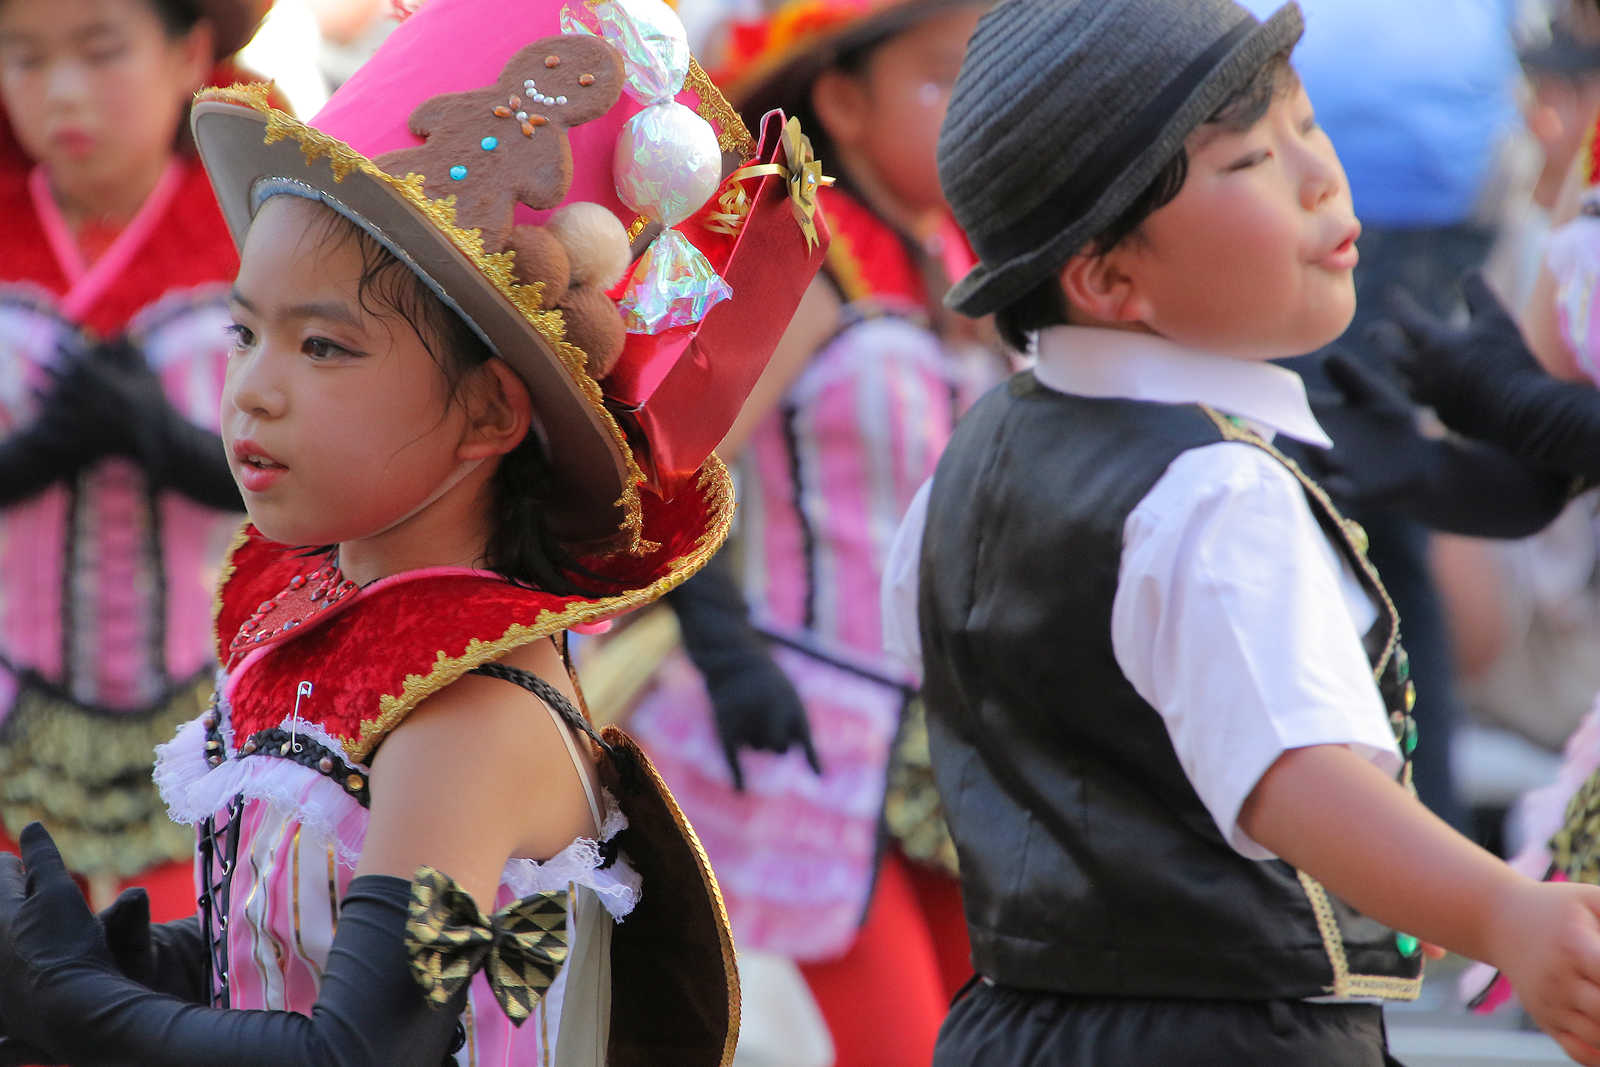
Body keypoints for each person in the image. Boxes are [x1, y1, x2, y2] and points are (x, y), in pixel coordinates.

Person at [0, 0, 824, 1061]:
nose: (252, 390)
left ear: (488, 413)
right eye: (244, 332)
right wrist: (125, 959)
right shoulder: (339, 628)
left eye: (324, 347)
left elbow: (363, 1044)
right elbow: (295, 951)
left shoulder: (468, 713)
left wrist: (78, 1004)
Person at [886, 0, 1600, 1062]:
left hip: (1013, 1023)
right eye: (1254, 159)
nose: (1320, 176)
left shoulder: (972, 454)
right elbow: (1292, 777)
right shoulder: (1218, 491)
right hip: (1224, 1035)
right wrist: (1504, 911)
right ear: (1109, 276)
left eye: (1307, 125)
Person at [622, 1, 1000, 1062]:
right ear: (842, 98)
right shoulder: (794, 254)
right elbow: (667, 466)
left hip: (953, 738)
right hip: (799, 736)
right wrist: (725, 646)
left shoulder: (956, 257)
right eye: (940, 79)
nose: (973, 109)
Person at [0, 0, 275, 922]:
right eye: (23, 58)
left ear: (189, 51)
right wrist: (31, 456)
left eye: (100, 51)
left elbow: (337, 481)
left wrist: (168, 442)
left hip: (220, 705)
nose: (61, 93)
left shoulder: (267, 229)